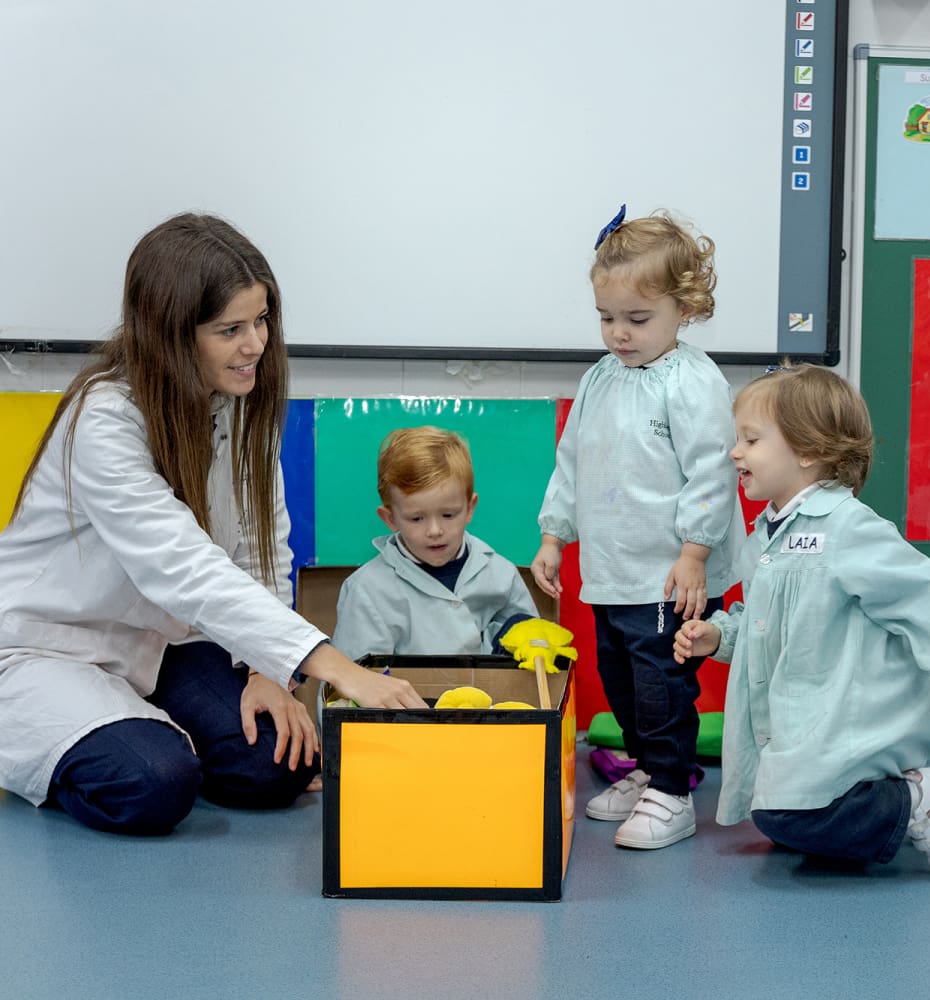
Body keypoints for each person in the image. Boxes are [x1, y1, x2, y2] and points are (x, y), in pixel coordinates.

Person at [0, 212, 424, 836]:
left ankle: (149, 726)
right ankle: (105, 740)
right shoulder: (106, 419)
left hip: (161, 644)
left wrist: (266, 670)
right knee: (154, 784)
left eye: (261, 320)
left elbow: (259, 547)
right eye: (230, 329)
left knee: (273, 768)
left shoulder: (239, 398)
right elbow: (181, 566)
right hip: (51, 648)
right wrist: (338, 669)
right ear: (170, 336)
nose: (255, 344)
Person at [674, 364, 930, 878]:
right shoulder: (768, 535)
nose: (735, 453)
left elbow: (917, 592)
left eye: (752, 440)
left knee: (789, 817)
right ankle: (894, 797)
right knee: (772, 815)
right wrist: (719, 636)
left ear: (808, 452)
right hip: (803, 717)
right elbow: (762, 620)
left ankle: (913, 800)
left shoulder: (847, 527)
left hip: (849, 717)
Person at [531, 207, 742, 850]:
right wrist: (552, 534)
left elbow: (712, 472)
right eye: (606, 317)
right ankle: (650, 767)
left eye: (637, 319)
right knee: (620, 676)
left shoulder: (693, 382)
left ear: (685, 308)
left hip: (671, 572)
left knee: (662, 682)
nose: (618, 333)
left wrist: (695, 553)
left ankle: (673, 792)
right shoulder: (600, 377)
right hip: (612, 568)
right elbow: (572, 459)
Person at [332, 426, 538, 662]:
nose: (435, 531)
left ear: (470, 508)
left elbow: (534, 647)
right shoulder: (367, 590)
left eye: (448, 515)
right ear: (390, 519)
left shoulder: (500, 574)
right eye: (416, 519)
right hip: (407, 699)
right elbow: (351, 682)